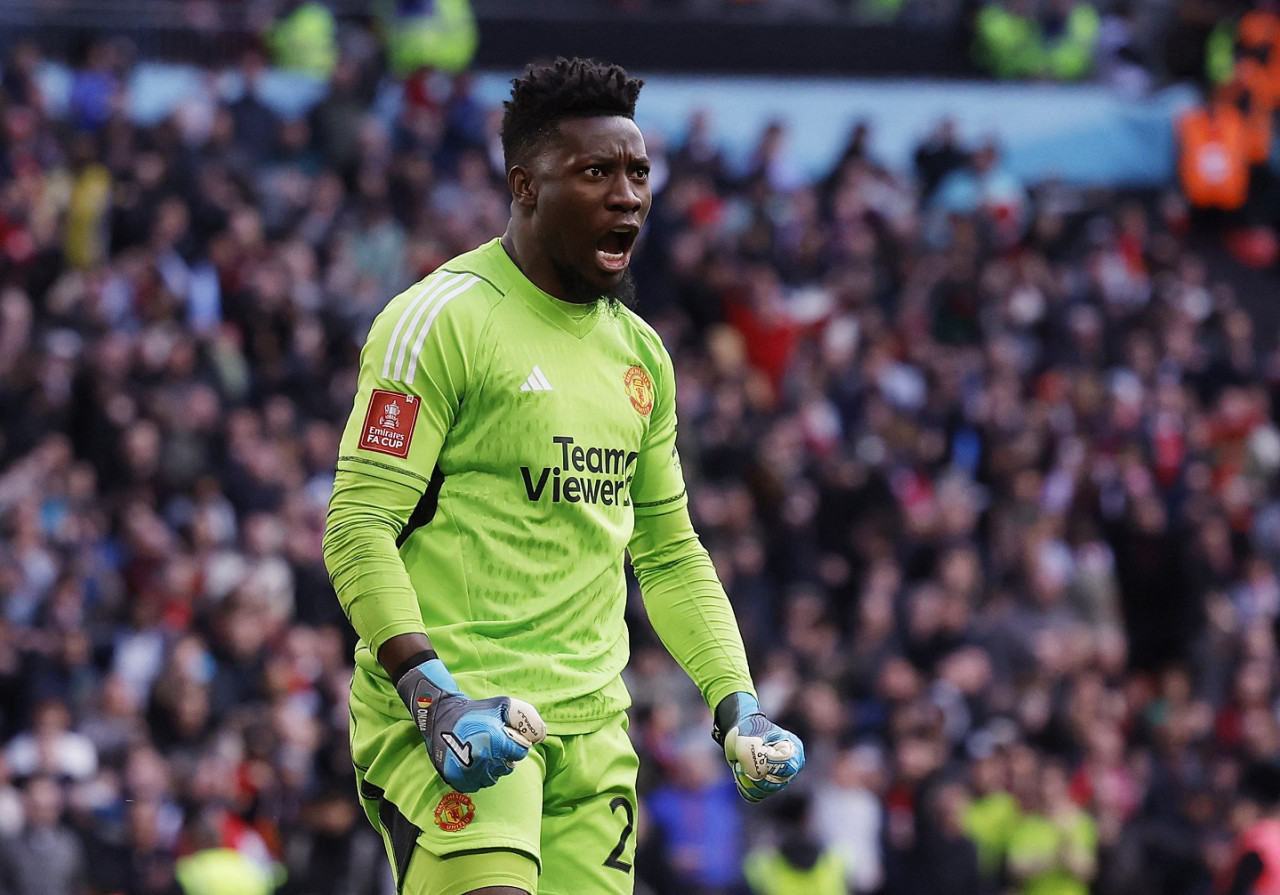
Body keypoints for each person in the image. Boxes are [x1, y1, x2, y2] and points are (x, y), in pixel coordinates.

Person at [322, 56, 805, 895]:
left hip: (593, 731)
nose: (628, 195)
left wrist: (737, 704)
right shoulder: (441, 321)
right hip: (460, 712)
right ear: (525, 187)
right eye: (596, 172)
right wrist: (433, 697)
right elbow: (357, 526)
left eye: (638, 172)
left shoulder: (641, 356)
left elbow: (669, 554)